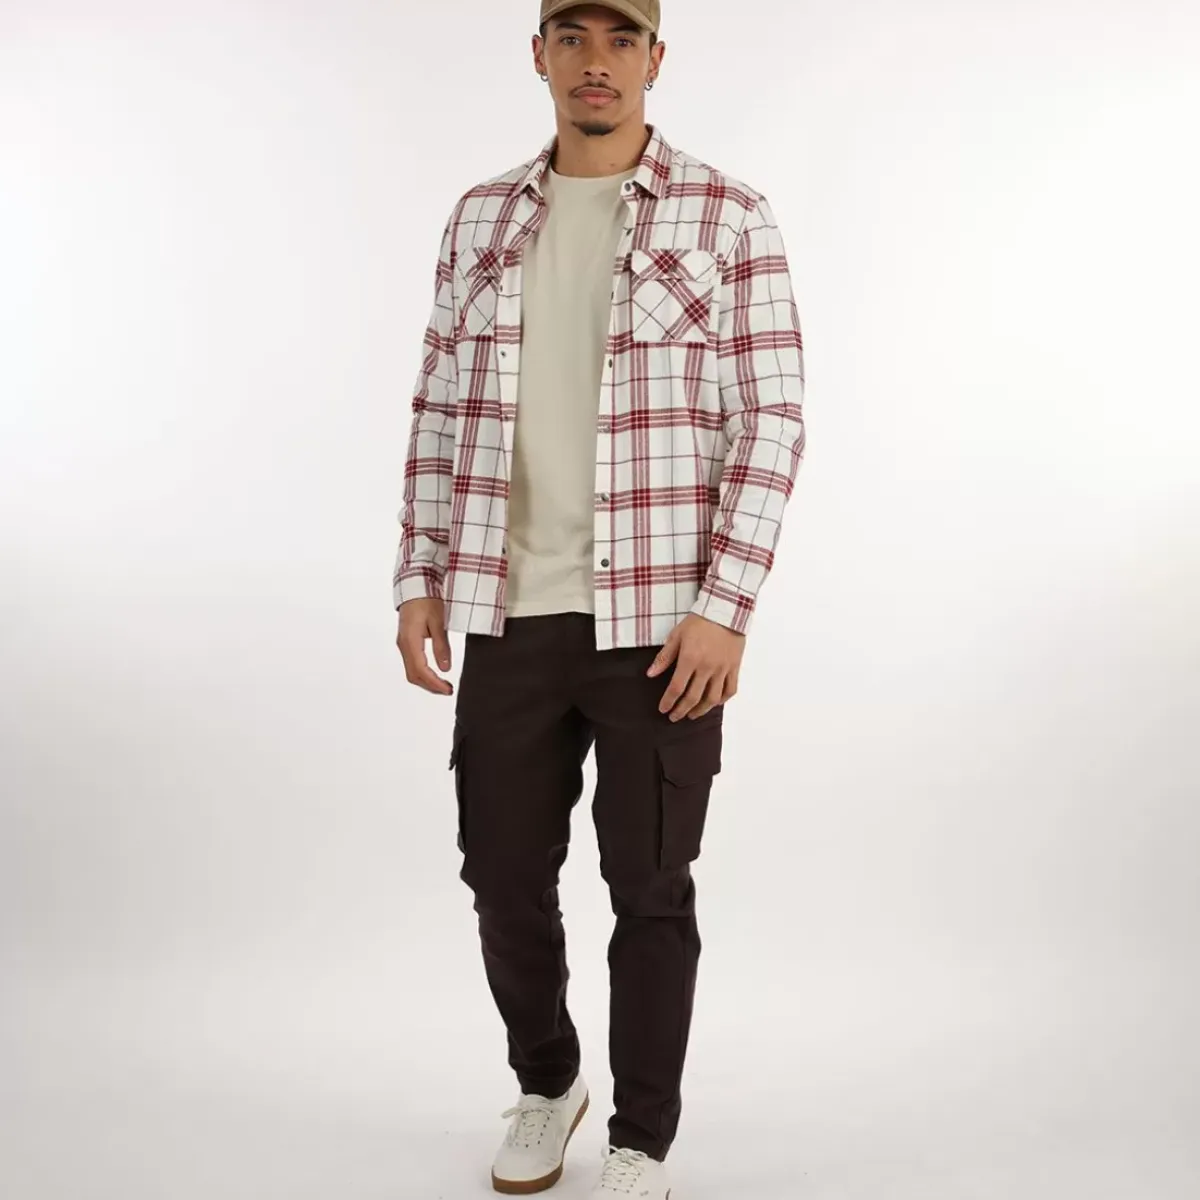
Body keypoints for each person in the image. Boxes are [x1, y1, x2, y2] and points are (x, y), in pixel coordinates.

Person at [393, 1, 805, 1194]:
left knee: (650, 888)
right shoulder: (479, 219)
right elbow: (438, 405)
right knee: (499, 875)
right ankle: (548, 1082)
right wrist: (419, 571)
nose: (596, 61)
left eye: (621, 39)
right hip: (510, 607)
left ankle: (641, 1139)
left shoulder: (728, 215)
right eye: (571, 36)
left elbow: (772, 420)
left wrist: (726, 605)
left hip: (662, 626)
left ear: (655, 59)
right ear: (538, 55)